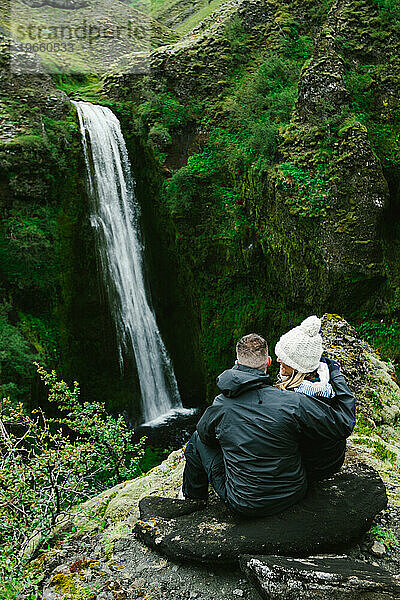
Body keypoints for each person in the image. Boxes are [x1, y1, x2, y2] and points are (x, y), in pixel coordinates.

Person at [180, 330, 355, 517]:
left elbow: (207, 437)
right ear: (269, 362)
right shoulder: (292, 402)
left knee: (197, 439)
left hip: (243, 503)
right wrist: (335, 373)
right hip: (294, 493)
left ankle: (192, 501)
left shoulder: (220, 405)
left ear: (237, 363)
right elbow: (344, 422)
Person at [275, 315, 350, 481]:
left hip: (314, 470)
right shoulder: (326, 379)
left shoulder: (298, 400)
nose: (278, 360)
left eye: (285, 359)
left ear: (298, 367)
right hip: (333, 460)